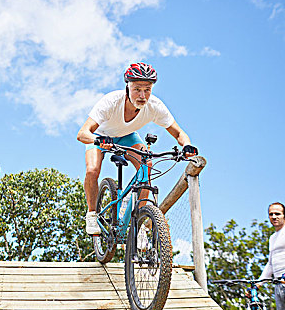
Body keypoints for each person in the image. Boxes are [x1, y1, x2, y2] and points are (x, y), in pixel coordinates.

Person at [77, 62, 198, 235]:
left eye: (147, 90)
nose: (142, 95)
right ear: (128, 87)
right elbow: (82, 133)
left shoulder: (155, 106)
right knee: (92, 170)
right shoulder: (111, 102)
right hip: (101, 136)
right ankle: (91, 214)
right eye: (137, 89)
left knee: (146, 165)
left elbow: (179, 133)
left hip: (127, 136)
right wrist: (99, 140)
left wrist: (186, 146)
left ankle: (139, 223)